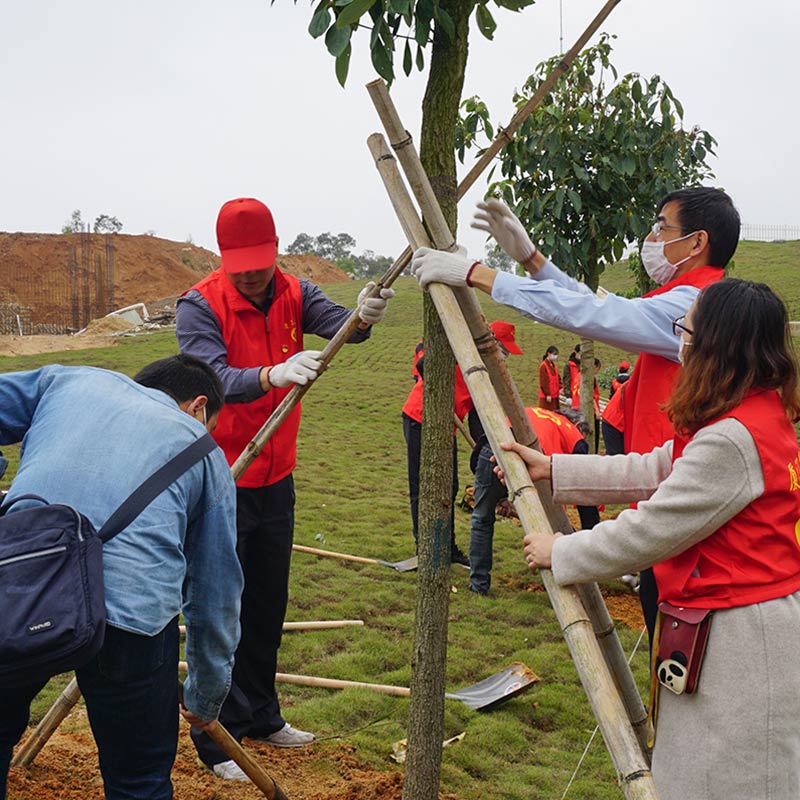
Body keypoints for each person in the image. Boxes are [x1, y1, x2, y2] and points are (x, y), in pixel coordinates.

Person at [499, 279, 800, 800]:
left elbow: (653, 528)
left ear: (718, 346)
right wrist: (555, 469)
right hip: (728, 624)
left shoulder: (733, 438)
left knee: (732, 781)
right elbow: (656, 468)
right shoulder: (748, 415)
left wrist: (564, 550)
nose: (680, 341)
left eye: (688, 330)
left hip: (742, 643)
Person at [410, 186, 741, 639]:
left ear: (697, 241)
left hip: (678, 498)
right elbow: (604, 309)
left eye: (662, 227)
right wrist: (533, 261)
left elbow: (594, 315)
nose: (652, 237)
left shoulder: (693, 309)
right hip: (663, 478)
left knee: (679, 645)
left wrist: (477, 274)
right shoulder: (688, 298)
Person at [175, 197, 394, 778]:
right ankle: (217, 738)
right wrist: (271, 374)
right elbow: (209, 378)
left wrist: (364, 316)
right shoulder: (200, 305)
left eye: (259, 263)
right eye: (239, 266)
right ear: (223, 258)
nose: (250, 275)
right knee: (219, 610)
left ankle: (262, 714)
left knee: (268, 603)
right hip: (222, 479)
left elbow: (344, 328)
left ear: (274, 252)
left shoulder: (297, 292)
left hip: (277, 476)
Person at [0, 355, 242, 800]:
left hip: (18, 587)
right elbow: (215, 595)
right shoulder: (205, 454)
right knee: (138, 780)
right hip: (131, 616)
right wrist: (205, 697)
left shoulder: (67, 382)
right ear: (199, 407)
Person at [402, 320, 522, 564]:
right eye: (504, 351)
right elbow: (423, 362)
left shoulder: (482, 373)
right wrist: (440, 378)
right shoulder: (459, 350)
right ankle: (424, 547)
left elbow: (477, 419)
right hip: (419, 418)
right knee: (422, 487)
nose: (504, 357)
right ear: (491, 344)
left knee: (450, 486)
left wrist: (484, 453)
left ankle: (447, 547)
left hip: (447, 427)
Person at [468, 406, 599, 595]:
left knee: (481, 518)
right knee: (552, 525)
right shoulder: (573, 435)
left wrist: (498, 496)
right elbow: (584, 491)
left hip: (493, 446)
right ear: (578, 425)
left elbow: (481, 451)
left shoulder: (534, 411)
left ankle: (478, 585)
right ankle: (564, 583)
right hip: (530, 458)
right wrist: (591, 541)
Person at [537, 345, 560, 410]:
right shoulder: (543, 366)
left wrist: (560, 388)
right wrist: (548, 394)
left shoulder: (554, 366)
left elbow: (558, 378)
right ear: (548, 354)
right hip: (547, 397)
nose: (555, 356)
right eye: (554, 354)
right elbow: (544, 382)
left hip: (554, 396)